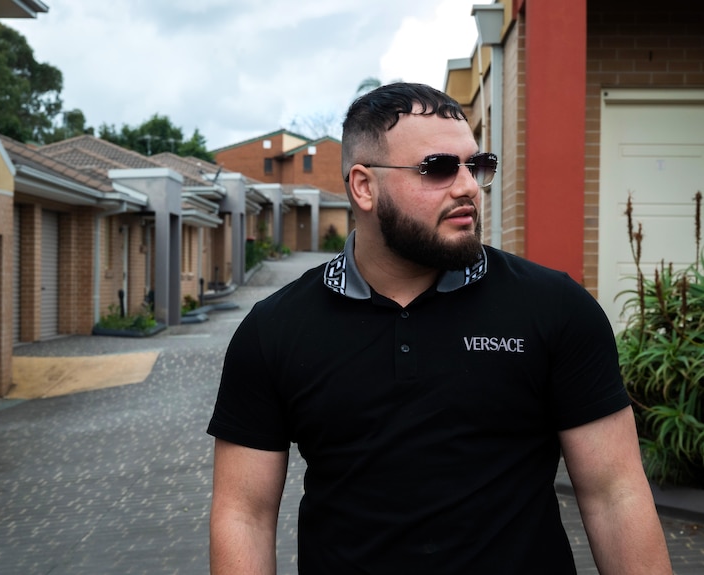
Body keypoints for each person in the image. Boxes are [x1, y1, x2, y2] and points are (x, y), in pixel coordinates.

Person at [207, 82, 671, 574]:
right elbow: (245, 516)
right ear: (364, 186)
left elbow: (614, 495)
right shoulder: (276, 329)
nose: (468, 185)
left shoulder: (555, 308)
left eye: (476, 165)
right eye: (439, 168)